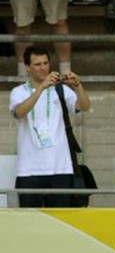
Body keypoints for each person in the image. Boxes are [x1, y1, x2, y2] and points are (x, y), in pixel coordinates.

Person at [9, 46, 90, 208]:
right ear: (27, 67)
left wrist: (78, 85)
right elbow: (19, 112)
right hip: (29, 170)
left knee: (61, 221)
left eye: (46, 63)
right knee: (30, 222)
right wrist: (41, 87)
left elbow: (84, 106)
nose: (43, 68)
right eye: (37, 64)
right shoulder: (18, 92)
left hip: (60, 168)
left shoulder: (60, 89)